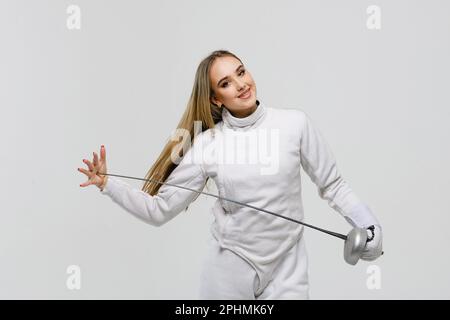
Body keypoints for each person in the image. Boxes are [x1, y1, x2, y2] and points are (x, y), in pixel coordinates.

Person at [78, 49, 383, 299]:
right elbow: (159, 210)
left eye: (241, 72)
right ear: (215, 99)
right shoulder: (207, 145)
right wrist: (108, 184)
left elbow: (333, 184)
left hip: (287, 266)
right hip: (230, 269)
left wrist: (368, 225)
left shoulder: (295, 124)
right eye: (225, 83)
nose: (240, 84)